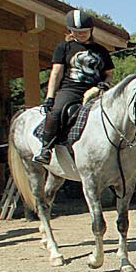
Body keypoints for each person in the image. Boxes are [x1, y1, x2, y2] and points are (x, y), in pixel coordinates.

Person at [34, 9, 114, 164]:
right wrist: (50, 97)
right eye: (77, 32)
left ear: (91, 30)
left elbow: (109, 74)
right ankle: (46, 148)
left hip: (96, 90)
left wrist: (105, 84)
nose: (81, 34)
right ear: (70, 31)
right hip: (70, 89)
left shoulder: (101, 50)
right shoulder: (63, 48)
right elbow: (56, 73)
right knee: (57, 111)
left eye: (84, 31)